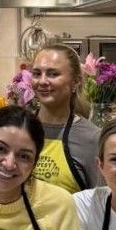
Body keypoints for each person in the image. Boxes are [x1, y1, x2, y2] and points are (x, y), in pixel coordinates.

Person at [28, 43, 102, 192]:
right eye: (37, 74)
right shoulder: (20, 128)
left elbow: (102, 199)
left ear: (76, 81)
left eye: (53, 74)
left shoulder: (92, 138)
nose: (42, 81)